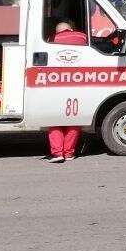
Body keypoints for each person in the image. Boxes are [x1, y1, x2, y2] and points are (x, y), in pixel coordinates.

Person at [48, 21, 88, 163]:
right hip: (77, 84)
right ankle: (69, 153)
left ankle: (58, 153)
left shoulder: (51, 40)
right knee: (74, 118)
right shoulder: (83, 37)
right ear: (71, 29)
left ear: (57, 32)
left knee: (54, 119)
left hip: (57, 84)